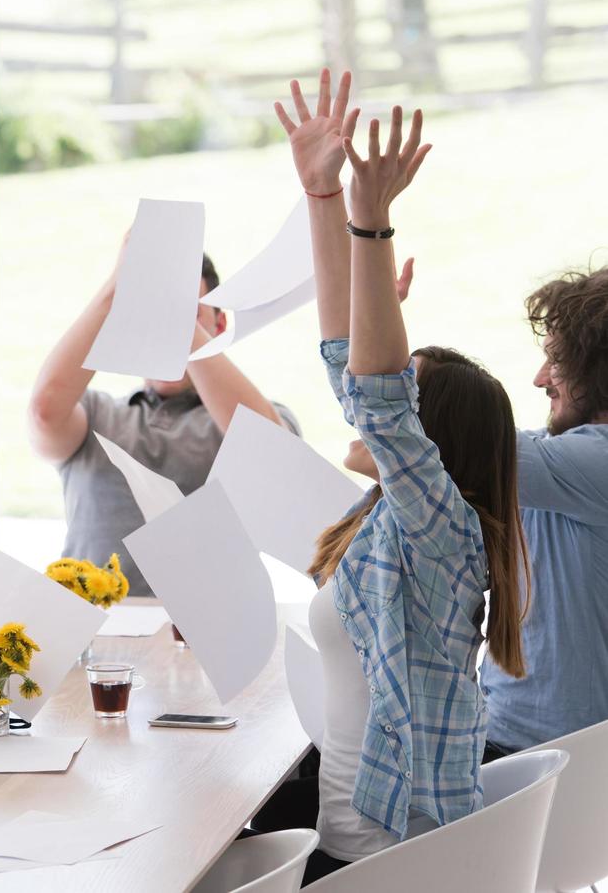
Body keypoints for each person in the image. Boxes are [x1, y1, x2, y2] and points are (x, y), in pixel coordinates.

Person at [264, 69, 530, 883]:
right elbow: (353, 367)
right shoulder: (395, 521)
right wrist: (320, 197)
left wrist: (368, 224)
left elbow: (376, 399)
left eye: (407, 401)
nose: (366, 401)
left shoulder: (442, 531)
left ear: (431, 434)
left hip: (395, 861)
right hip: (366, 843)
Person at [28, 237, 300, 595]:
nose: (162, 325)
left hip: (207, 640)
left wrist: (178, 316)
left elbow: (272, 451)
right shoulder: (96, 415)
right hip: (94, 636)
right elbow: (44, 411)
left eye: (193, 313)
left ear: (218, 327)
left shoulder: (249, 416)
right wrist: (119, 288)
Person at [480, 265, 608, 756]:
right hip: (503, 739)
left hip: (561, 767)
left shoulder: (594, 462)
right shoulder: (558, 462)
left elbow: (450, 433)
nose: (538, 380)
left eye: (556, 363)